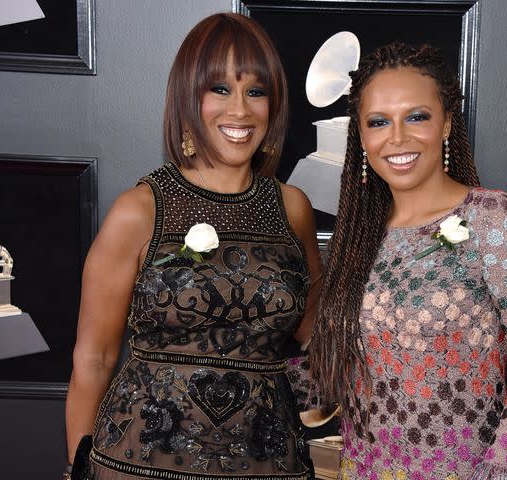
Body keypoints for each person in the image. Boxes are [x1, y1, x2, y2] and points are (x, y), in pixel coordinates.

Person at [65, 13, 322, 480]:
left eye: (256, 91)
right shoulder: (139, 209)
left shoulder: (292, 208)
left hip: (268, 464)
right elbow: (94, 357)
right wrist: (75, 472)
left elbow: (315, 335)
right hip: (138, 465)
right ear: (189, 97)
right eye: (219, 89)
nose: (240, 110)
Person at [309, 42, 507, 480]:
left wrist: (501, 473)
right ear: (362, 136)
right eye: (378, 122)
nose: (397, 138)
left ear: (446, 123)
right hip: (364, 469)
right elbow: (347, 364)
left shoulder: (493, 220)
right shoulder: (362, 234)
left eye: (417, 116)